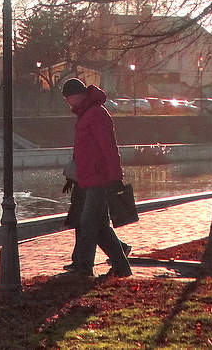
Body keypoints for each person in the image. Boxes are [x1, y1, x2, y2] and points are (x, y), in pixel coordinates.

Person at [61, 77, 131, 278]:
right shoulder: (86, 114)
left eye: (68, 97)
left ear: (77, 94)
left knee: (88, 223)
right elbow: (83, 150)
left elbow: (109, 147)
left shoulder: (96, 114)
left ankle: (84, 267)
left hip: (99, 179)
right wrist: (73, 176)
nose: (67, 101)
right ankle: (121, 265)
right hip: (87, 178)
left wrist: (116, 176)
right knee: (98, 226)